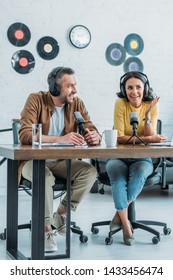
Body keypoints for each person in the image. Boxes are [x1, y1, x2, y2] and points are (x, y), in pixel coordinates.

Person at [18, 66, 101, 252]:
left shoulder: (77, 104)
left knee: (90, 172)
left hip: (62, 162)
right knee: (45, 176)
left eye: (75, 85)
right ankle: (46, 229)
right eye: (70, 86)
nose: (75, 90)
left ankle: (61, 215)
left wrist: (95, 136)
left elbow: (92, 127)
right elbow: (24, 135)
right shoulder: (36, 99)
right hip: (32, 162)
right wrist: (60, 139)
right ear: (56, 87)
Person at [106, 71, 166, 246]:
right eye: (129, 87)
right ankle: (126, 225)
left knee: (139, 173)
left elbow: (150, 133)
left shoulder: (151, 105)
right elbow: (119, 137)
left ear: (145, 88)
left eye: (138, 87)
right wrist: (149, 140)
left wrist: (147, 115)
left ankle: (118, 215)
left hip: (142, 158)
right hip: (119, 156)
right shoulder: (120, 104)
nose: (134, 92)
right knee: (117, 179)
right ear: (124, 90)